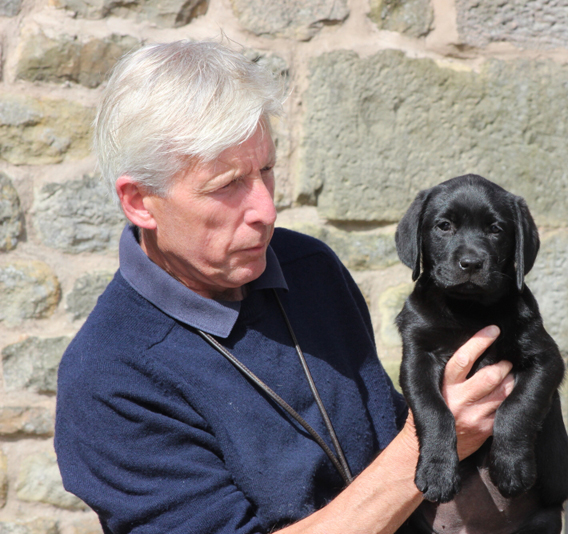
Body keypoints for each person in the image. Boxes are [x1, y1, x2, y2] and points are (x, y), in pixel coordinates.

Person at [54, 40, 514, 534]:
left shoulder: (309, 266)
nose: (266, 211)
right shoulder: (106, 377)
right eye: (227, 184)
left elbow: (380, 427)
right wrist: (434, 443)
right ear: (140, 201)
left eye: (266, 171)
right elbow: (404, 455)